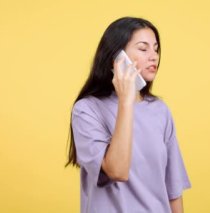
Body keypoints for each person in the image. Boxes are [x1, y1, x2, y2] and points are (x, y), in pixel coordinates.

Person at [66, 17, 191, 213]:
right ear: (117, 57)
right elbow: (117, 171)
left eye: (156, 49)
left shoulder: (160, 111)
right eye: (143, 48)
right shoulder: (86, 110)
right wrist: (126, 101)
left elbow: (173, 190)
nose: (154, 56)